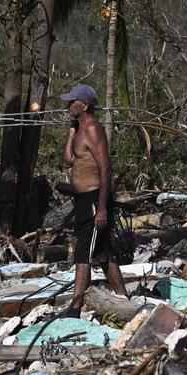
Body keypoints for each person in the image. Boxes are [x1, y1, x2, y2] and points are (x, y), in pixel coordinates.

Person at [57, 83, 127, 317]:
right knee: (104, 253)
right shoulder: (79, 129)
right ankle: (123, 296)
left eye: (71, 102)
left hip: (95, 199)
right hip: (82, 199)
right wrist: (70, 132)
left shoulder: (94, 129)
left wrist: (103, 208)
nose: (68, 106)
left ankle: (75, 306)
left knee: (84, 253)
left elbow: (106, 169)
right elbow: (67, 161)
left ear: (84, 105)